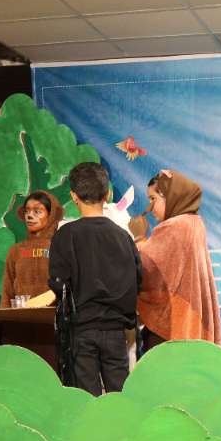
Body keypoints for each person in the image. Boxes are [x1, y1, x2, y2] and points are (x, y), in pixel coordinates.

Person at [48, 162, 141, 395]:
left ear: (74, 196)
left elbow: (57, 282)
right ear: (107, 194)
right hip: (116, 331)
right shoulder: (124, 237)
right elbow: (137, 280)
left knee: (86, 400)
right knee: (120, 399)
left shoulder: (65, 235)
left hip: (81, 331)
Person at [136, 169, 221, 351]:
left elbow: (148, 268)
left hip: (174, 323)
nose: (149, 207)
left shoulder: (175, 226)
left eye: (153, 199)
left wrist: (138, 239)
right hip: (190, 318)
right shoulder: (194, 222)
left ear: (170, 196)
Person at [2, 191, 63, 308]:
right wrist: (4, 316)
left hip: (53, 315)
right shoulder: (15, 251)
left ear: (51, 215)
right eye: (27, 211)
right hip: (21, 316)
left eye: (37, 211)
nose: (29, 216)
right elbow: (7, 292)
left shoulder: (60, 248)